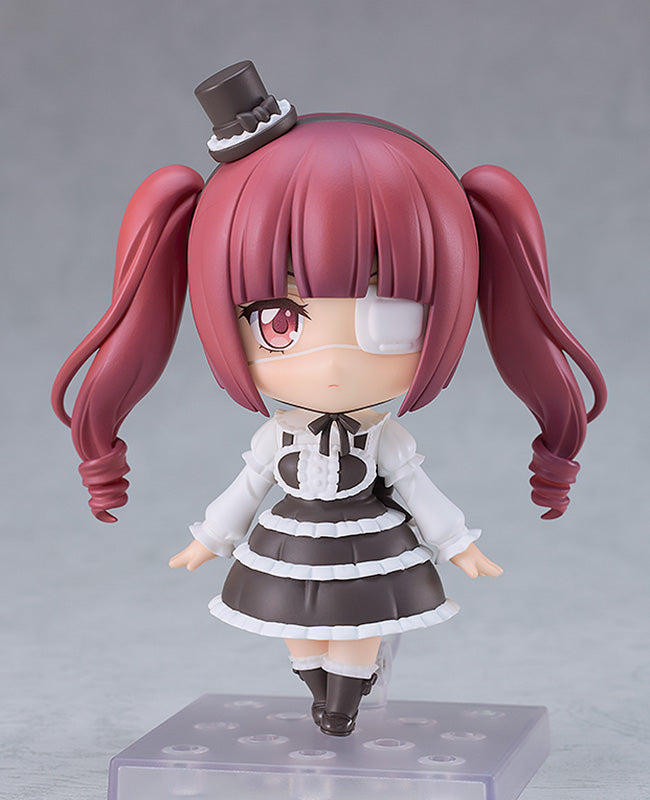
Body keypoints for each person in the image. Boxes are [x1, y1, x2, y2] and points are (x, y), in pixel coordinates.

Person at [52, 61, 606, 736]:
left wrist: (458, 543)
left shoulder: (383, 439)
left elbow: (418, 490)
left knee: (358, 631)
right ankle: (319, 684)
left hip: (371, 546)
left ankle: (341, 701)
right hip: (290, 546)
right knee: (297, 630)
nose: (335, 361)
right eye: (279, 321)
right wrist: (210, 539)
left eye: (391, 318)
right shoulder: (276, 436)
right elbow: (247, 486)